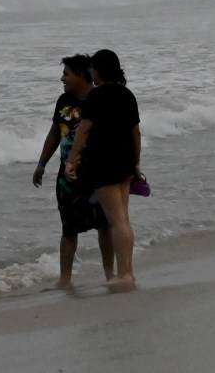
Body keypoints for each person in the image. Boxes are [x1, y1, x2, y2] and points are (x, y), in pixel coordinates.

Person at [32, 54, 114, 288]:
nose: (62, 78)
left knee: (105, 226)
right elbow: (55, 132)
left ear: (81, 75)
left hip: (98, 173)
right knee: (68, 228)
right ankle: (65, 279)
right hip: (67, 177)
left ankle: (110, 274)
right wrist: (41, 164)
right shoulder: (64, 100)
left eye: (66, 73)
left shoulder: (100, 99)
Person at [65, 49, 140, 292]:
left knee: (116, 220)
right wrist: (136, 162)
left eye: (93, 69)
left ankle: (125, 274)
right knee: (124, 219)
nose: (91, 73)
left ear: (99, 69)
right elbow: (135, 132)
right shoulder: (127, 95)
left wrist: (71, 159)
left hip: (104, 163)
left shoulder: (97, 96)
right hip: (125, 161)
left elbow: (84, 129)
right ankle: (127, 272)